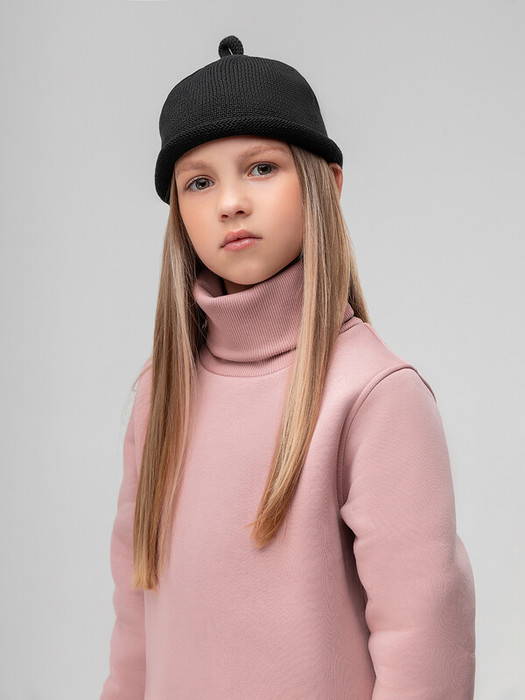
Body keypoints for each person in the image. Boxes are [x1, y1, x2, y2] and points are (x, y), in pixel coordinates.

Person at [100, 35, 475, 699]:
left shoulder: (374, 395)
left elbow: (425, 646)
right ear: (179, 211)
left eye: (261, 168)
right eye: (199, 182)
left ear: (326, 182)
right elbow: (136, 633)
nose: (230, 202)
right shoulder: (160, 394)